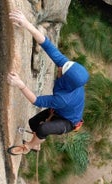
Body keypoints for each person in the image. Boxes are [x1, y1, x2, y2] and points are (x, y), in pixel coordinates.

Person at [7, 10, 89, 155]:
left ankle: (29, 148)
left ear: (66, 78)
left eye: (62, 70)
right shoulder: (68, 72)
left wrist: (20, 84)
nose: (60, 66)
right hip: (61, 109)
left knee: (43, 129)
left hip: (68, 121)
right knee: (33, 123)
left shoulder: (63, 98)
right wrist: (26, 24)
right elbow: (47, 45)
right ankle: (37, 144)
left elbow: (37, 101)